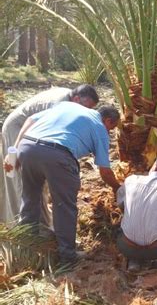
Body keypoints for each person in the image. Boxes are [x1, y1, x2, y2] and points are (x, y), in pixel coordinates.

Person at [11, 102, 120, 265]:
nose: (109, 133)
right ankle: (67, 257)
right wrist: (118, 188)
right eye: (111, 129)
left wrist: (14, 151)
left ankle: (25, 249)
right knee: (64, 205)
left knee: (30, 198)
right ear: (108, 121)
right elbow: (104, 171)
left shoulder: (67, 106)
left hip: (27, 147)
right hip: (57, 155)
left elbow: (31, 119)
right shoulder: (99, 127)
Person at [1, 84, 99, 225]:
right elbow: (30, 123)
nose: (86, 113)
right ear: (77, 98)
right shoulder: (58, 104)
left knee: (38, 180)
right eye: (86, 108)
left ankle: (41, 225)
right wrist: (15, 150)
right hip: (18, 128)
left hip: (34, 133)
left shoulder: (70, 101)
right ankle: (23, 229)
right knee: (24, 181)